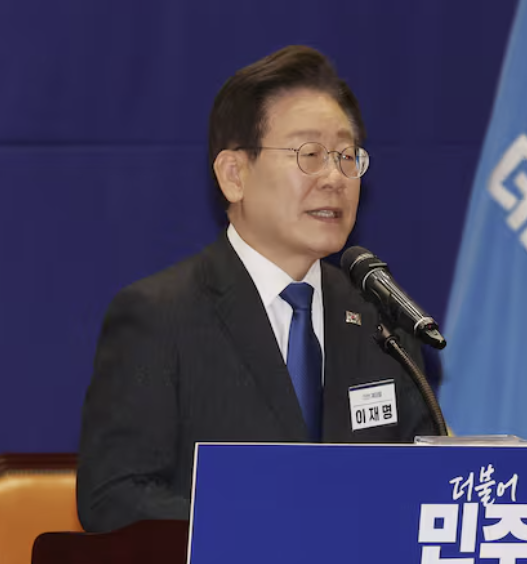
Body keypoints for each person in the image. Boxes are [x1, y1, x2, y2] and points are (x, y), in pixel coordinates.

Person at [77, 45, 436, 533]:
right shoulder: (159, 317)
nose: (335, 177)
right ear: (234, 175)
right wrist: (269, 528)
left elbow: (424, 485)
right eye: (310, 155)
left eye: (347, 156)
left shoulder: (382, 320)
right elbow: (113, 497)